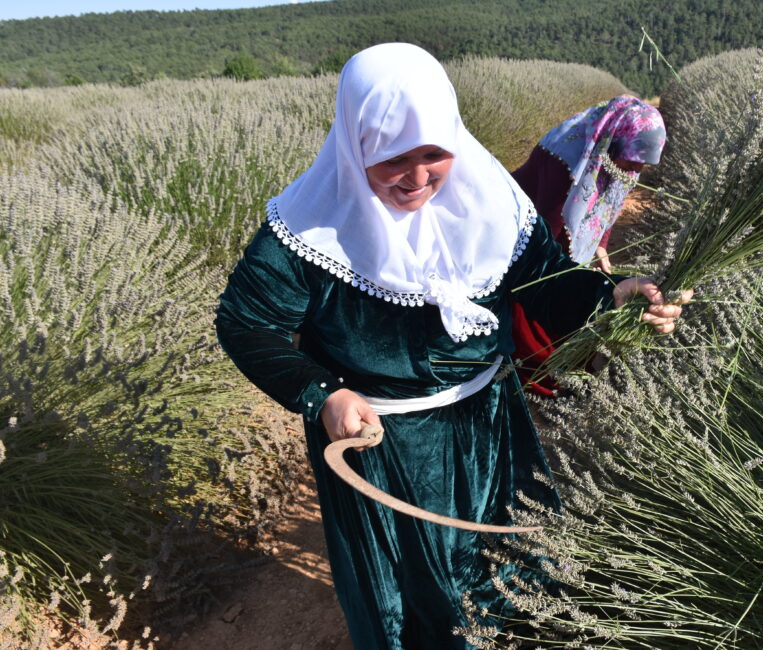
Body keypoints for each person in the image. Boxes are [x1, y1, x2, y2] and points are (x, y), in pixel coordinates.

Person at [214, 43, 688, 650]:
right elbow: (245, 324)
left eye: (434, 155)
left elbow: (543, 282)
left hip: (490, 427)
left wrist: (610, 294)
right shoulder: (305, 231)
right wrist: (323, 394)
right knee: (415, 603)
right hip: (383, 449)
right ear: (356, 143)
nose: (417, 178)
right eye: (392, 160)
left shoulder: (489, 202)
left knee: (513, 573)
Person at [509, 96, 666, 396]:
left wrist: (600, 245)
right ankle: (536, 376)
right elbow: (543, 245)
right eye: (632, 162)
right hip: (525, 239)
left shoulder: (619, 158)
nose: (634, 171)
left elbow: (608, 205)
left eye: (641, 166)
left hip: (552, 247)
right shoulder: (565, 161)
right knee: (535, 310)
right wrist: (573, 278)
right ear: (614, 142)